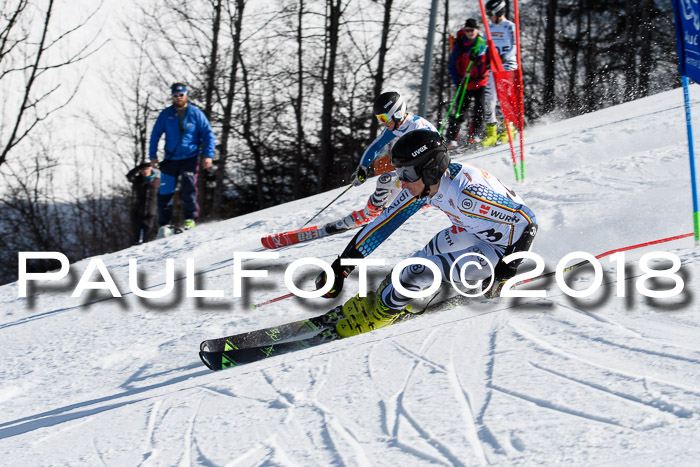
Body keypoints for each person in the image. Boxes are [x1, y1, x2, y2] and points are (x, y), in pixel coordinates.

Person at [315, 129, 537, 338]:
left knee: (414, 273)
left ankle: (381, 314)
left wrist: (505, 272)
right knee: (424, 254)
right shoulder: (426, 184)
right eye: (399, 173)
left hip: (504, 248)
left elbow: (528, 221)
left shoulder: (466, 195)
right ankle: (388, 298)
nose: (402, 181)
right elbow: (382, 225)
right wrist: (341, 267)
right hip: (473, 231)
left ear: (431, 169)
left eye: (407, 173)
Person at [323, 91, 439, 235]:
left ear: (397, 113)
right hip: (416, 175)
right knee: (386, 191)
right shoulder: (398, 126)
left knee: (385, 181)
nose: (382, 122)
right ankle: (367, 215)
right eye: (379, 118)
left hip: (429, 178)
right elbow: (376, 146)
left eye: (384, 117)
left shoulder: (416, 128)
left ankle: (373, 215)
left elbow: (433, 155)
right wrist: (363, 168)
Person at [149, 82, 216, 238]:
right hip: (170, 159)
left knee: (188, 186)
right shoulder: (166, 114)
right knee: (165, 191)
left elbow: (208, 134)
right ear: (172, 97)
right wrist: (152, 156)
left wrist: (208, 155)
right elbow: (155, 135)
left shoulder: (195, 113)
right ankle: (165, 224)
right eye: (175, 95)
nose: (178, 98)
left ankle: (190, 219)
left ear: (186, 95)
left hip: (190, 158)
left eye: (181, 95)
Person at [446, 18, 490, 149]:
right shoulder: (460, 45)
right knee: (460, 110)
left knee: (479, 109)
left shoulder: (482, 44)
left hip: (480, 82)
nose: (469, 32)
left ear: (477, 30)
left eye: (472, 30)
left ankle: (475, 135)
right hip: (464, 83)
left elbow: (489, 61)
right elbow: (452, 65)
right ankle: (452, 139)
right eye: (467, 30)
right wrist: (457, 80)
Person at [482, 0, 518, 147]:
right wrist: (480, 56)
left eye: (491, 14)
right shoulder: (488, 28)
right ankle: (491, 133)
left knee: (505, 98)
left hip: (507, 66)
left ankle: (509, 130)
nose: (489, 17)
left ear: (498, 12)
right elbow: (484, 45)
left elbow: (515, 46)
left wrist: (504, 57)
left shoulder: (510, 26)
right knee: (489, 99)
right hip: (493, 66)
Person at [126, 162, 160, 244]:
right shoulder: (138, 180)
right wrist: (138, 167)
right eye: (142, 170)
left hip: (151, 213)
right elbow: (129, 176)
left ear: (150, 170)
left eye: (146, 169)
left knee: (147, 240)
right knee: (135, 239)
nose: (144, 171)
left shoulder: (157, 180)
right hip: (137, 211)